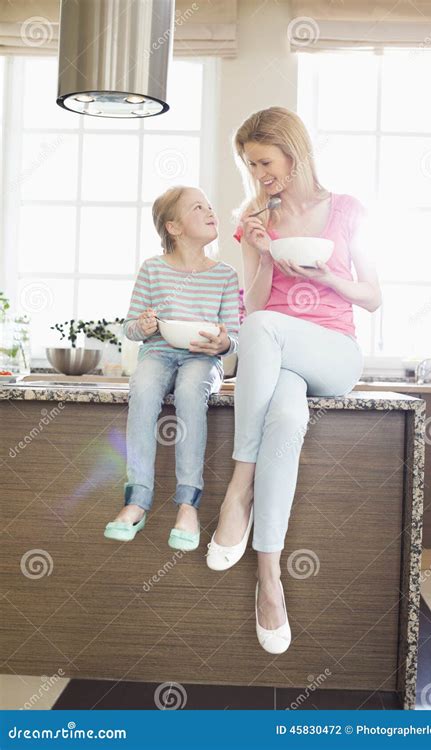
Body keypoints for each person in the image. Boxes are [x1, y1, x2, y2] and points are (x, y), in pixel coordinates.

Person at [206, 107, 382, 654]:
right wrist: (257, 249)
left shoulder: (347, 210)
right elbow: (253, 306)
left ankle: (239, 490)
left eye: (264, 160)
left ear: (292, 150)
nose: (258, 173)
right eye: (249, 164)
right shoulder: (254, 216)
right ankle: (270, 580)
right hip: (277, 364)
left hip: (334, 354)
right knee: (285, 416)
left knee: (266, 331)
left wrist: (328, 276)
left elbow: (374, 296)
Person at [104, 186, 239, 551]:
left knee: (190, 392)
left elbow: (233, 337)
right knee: (144, 389)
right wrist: (144, 326)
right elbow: (130, 327)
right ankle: (137, 500)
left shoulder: (225, 275)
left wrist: (222, 344)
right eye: (199, 208)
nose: (211, 211)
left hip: (202, 358)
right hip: (158, 353)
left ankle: (187, 504)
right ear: (174, 227)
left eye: (210, 205)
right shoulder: (153, 270)